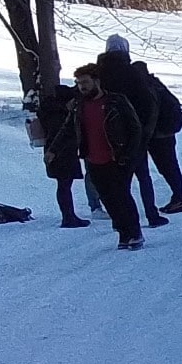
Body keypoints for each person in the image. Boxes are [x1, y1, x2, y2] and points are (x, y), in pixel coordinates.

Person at [49, 63, 145, 249]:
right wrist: (53, 150)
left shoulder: (116, 101)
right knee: (107, 199)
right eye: (79, 83)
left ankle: (134, 233)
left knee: (122, 196)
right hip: (93, 160)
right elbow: (68, 129)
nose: (82, 87)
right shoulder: (79, 105)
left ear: (96, 81)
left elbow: (135, 128)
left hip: (117, 158)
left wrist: (129, 153)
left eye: (85, 82)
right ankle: (123, 233)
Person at [95, 36, 166, 228]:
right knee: (143, 176)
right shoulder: (133, 73)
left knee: (117, 181)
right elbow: (148, 103)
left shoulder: (98, 74)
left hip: (106, 135)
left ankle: (120, 219)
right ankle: (151, 214)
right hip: (134, 133)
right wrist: (144, 130)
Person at [132, 57, 182, 213]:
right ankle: (179, 197)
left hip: (156, 134)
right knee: (170, 165)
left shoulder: (142, 87)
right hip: (167, 132)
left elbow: (150, 111)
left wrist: (146, 133)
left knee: (166, 167)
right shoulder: (156, 83)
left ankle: (180, 198)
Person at [34, 82, 91, 227]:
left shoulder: (48, 110)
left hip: (54, 151)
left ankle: (68, 216)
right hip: (63, 153)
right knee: (65, 185)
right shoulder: (60, 115)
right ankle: (68, 217)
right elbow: (62, 134)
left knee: (63, 185)